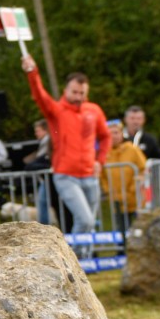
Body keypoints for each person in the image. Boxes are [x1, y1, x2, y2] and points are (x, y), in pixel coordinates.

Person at [21, 54, 111, 250]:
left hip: (90, 175)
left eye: (82, 93)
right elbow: (39, 95)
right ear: (66, 90)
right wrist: (32, 72)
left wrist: (100, 161)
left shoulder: (93, 110)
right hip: (66, 175)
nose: (78, 97)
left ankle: (85, 265)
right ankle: (75, 263)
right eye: (75, 92)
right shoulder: (57, 110)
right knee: (85, 220)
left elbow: (105, 136)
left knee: (89, 224)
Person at [101, 120, 146, 233]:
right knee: (120, 229)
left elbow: (143, 168)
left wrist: (133, 187)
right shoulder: (104, 153)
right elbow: (102, 175)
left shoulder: (132, 149)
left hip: (135, 198)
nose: (113, 136)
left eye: (116, 133)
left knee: (138, 229)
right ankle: (120, 249)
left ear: (121, 134)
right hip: (116, 199)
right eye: (110, 133)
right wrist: (108, 190)